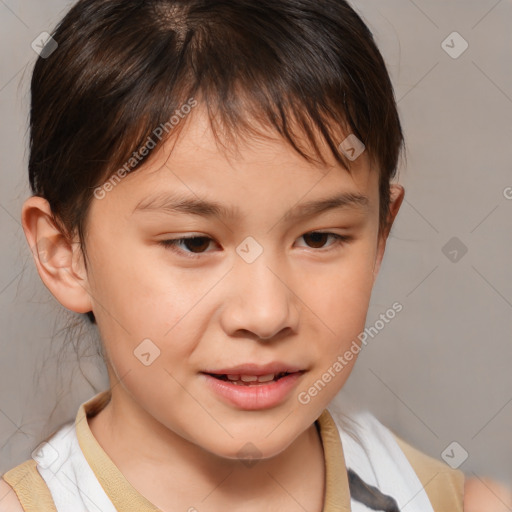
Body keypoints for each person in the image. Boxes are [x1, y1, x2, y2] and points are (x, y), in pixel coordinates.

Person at [0, 0, 464, 510]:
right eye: (194, 243)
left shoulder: (442, 498)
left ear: (381, 235)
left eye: (318, 238)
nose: (266, 315)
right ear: (65, 252)